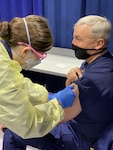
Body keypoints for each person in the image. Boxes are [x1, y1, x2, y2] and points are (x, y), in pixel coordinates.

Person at [2, 15, 113, 150]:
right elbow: (14, 86)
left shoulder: (95, 76)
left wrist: (15, 122)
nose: (73, 43)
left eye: (78, 38)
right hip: (79, 125)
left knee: (13, 132)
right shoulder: (100, 62)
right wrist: (68, 83)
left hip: (77, 135)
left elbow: (67, 112)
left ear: (99, 43)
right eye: (74, 36)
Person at [0, 14, 77, 147]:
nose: (39, 60)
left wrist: (45, 96)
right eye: (40, 56)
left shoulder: (4, 55)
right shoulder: (4, 71)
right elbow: (27, 125)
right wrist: (57, 104)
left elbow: (19, 85)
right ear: (25, 51)